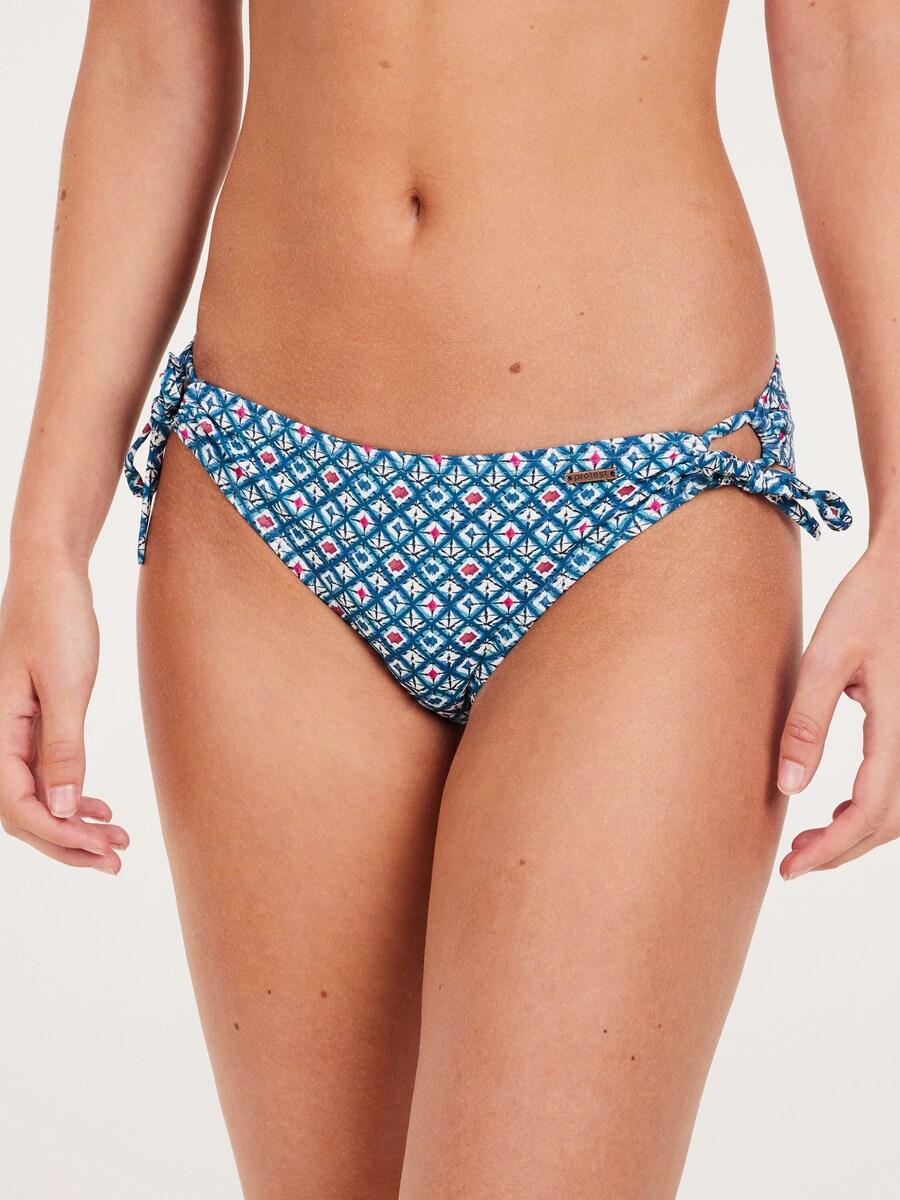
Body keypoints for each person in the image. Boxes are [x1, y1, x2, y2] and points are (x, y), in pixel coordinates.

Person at [0, 1, 896, 1196]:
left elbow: (851, 41)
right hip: (267, 498)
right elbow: (151, 51)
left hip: (646, 509)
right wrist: (47, 542)